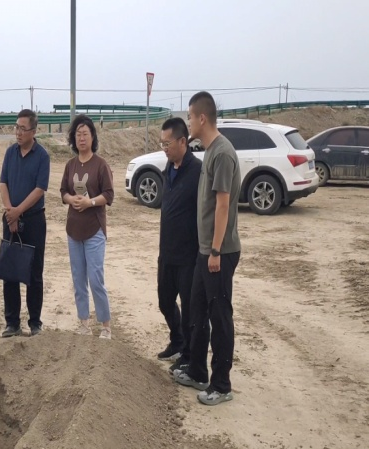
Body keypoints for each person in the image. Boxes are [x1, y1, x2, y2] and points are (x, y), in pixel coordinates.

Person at [173, 92, 241, 406]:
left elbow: (223, 206)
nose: (188, 122)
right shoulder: (210, 150)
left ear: (202, 118)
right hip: (206, 251)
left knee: (220, 316)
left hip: (220, 252)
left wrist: (215, 251)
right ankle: (198, 371)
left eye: (190, 117)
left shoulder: (223, 153)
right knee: (197, 312)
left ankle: (221, 385)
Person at [60, 115, 114, 339]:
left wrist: (89, 202)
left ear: (92, 137)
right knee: (78, 279)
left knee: (95, 278)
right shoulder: (70, 164)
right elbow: (63, 191)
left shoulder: (101, 165)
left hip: (94, 230)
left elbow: (109, 195)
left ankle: (105, 325)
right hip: (73, 230)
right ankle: (83, 323)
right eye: (78, 134)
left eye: (85, 134)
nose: (81, 138)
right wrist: (70, 199)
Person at [155, 118, 201, 373]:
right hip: (167, 253)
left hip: (188, 256)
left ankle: (189, 354)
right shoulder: (168, 169)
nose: (164, 148)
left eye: (168, 143)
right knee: (164, 301)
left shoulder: (197, 172)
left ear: (183, 141)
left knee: (190, 308)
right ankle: (177, 339)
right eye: (162, 143)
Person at [0, 109, 50, 337]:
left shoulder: (42, 156)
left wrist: (19, 211)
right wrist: (10, 212)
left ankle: (35, 323)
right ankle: (12, 323)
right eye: (16, 127)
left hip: (34, 220)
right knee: (10, 271)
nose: (18, 132)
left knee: (34, 273)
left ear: (33, 131)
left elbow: (40, 189)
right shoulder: (10, 153)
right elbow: (3, 183)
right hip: (10, 217)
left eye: (23, 128)